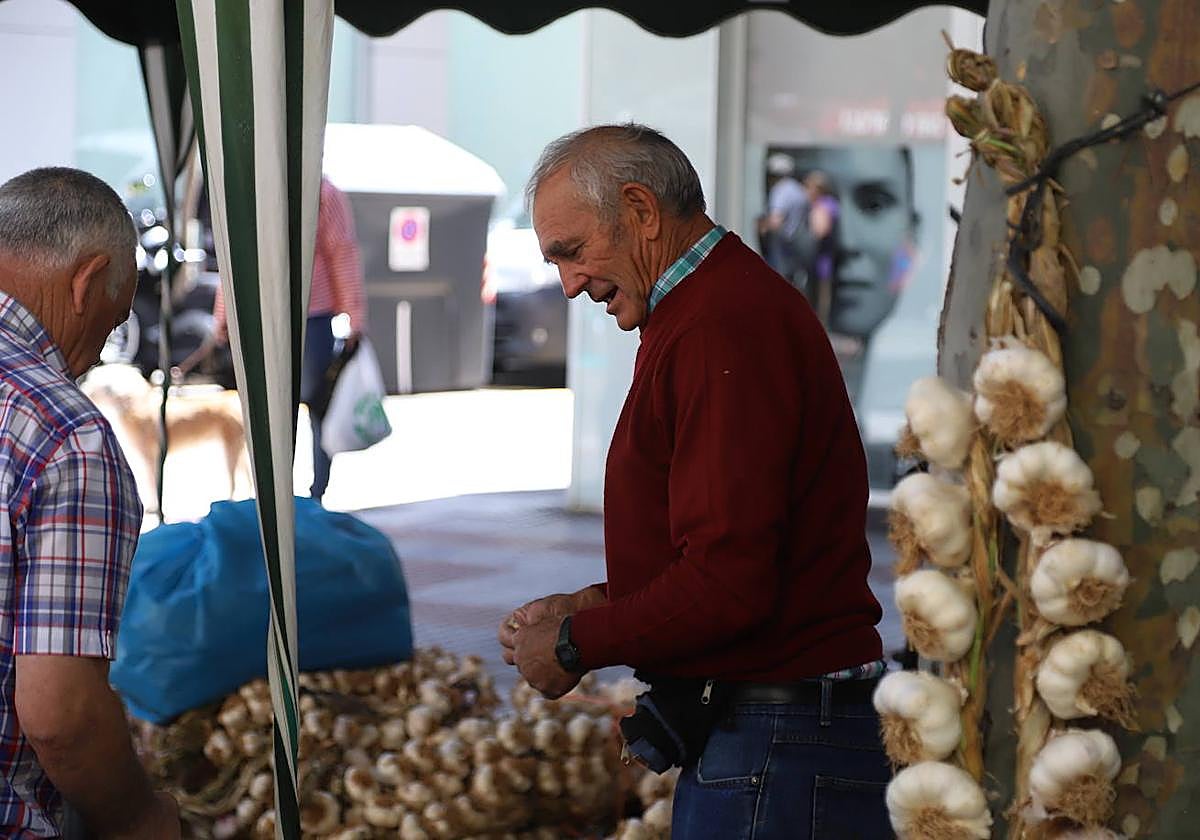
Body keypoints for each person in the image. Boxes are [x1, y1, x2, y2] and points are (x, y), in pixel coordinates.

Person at [498, 125, 889, 839]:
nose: (569, 285)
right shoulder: (710, 311)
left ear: (642, 211)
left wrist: (575, 642)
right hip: (776, 734)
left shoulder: (720, 323)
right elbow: (730, 551)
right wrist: (591, 603)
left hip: (779, 736)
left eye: (572, 251)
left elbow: (729, 584)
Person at [0, 167, 180, 838]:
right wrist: (141, 819)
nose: (96, 354)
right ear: (87, 282)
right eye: (113, 318)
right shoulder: (66, 435)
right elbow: (61, 717)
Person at [211, 175, 367, 502]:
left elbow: (234, 253)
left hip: (278, 316)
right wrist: (354, 316)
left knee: (275, 409)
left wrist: (224, 315)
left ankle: (283, 496)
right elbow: (342, 252)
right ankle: (308, 494)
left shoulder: (254, 188)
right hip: (306, 315)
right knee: (311, 406)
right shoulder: (321, 190)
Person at [756, 152, 808, 286]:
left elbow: (776, 221)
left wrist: (761, 225)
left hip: (782, 246)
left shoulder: (780, 190)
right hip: (798, 245)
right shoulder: (799, 190)